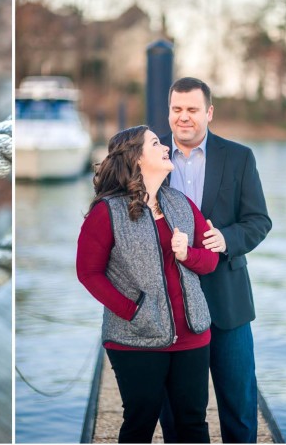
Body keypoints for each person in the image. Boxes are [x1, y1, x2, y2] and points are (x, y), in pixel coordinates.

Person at [77, 125, 220, 443]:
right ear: (136, 157)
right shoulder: (107, 212)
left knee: (193, 422)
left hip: (192, 335)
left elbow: (210, 261)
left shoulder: (182, 204)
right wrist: (132, 311)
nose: (166, 147)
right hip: (135, 339)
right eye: (156, 143)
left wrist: (187, 254)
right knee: (140, 422)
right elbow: (88, 273)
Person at [159, 77, 272, 443]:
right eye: (177, 109)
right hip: (172, 301)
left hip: (228, 299)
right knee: (178, 411)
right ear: (169, 111)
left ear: (209, 112)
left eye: (192, 109)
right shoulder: (150, 157)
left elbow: (259, 221)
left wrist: (226, 239)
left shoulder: (239, 157)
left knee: (238, 403)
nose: (184, 117)